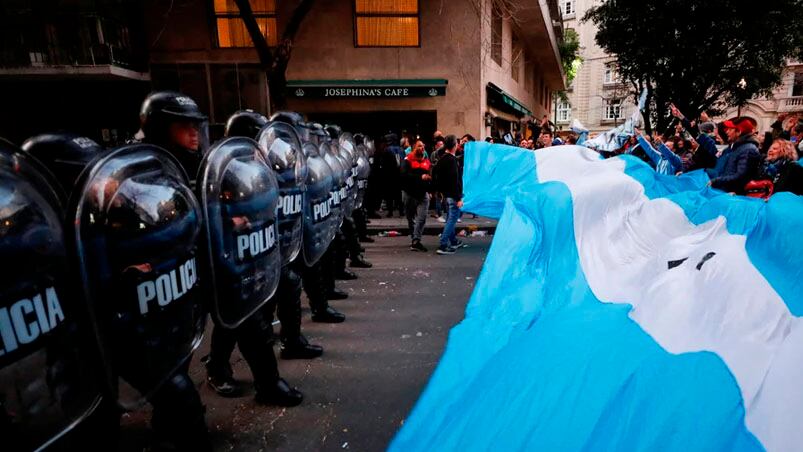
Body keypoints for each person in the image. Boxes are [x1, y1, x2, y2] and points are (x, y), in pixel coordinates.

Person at [709, 117, 761, 194]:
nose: (727, 132)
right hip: (726, 191)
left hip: (733, 196)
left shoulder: (748, 149)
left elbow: (740, 176)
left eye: (730, 129)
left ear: (739, 132)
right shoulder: (738, 147)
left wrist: (716, 181)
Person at [433, 135, 465, 255]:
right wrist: (458, 198)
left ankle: (453, 240)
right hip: (453, 195)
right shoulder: (451, 160)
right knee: (452, 219)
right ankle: (443, 244)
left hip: (446, 194)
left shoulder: (442, 159)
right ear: (454, 146)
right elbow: (454, 181)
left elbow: (437, 177)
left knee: (450, 218)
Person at [401, 140, 432, 251]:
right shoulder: (407, 160)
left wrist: (430, 190)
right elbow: (404, 176)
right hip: (409, 194)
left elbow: (429, 175)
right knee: (411, 218)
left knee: (422, 217)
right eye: (419, 146)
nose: (422, 148)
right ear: (413, 148)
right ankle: (414, 237)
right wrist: (420, 177)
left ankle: (416, 240)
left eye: (423, 146)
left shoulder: (427, 161)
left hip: (423, 194)